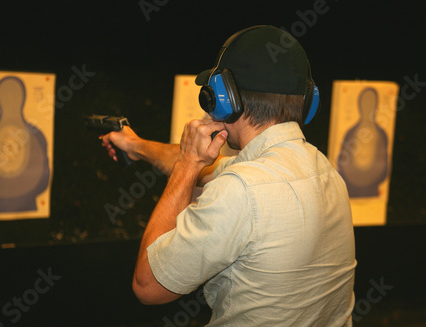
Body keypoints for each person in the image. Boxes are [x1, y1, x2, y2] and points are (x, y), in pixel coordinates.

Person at [101, 25, 356, 326]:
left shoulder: (240, 190)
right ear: (307, 100)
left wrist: (187, 165)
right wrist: (136, 146)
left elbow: (148, 286)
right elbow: (209, 168)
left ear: (225, 98)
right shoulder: (325, 170)